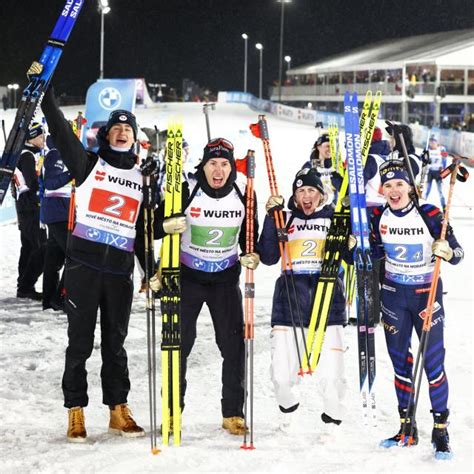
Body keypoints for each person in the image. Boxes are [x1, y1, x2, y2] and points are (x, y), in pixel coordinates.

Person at [39, 79, 151, 442]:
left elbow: (147, 229)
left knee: (115, 346)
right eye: (115, 128)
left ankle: (118, 410)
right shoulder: (87, 164)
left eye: (127, 129)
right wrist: (46, 93)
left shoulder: (142, 178)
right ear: (106, 136)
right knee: (80, 344)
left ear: (134, 138)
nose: (121, 133)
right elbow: (58, 128)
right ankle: (76, 411)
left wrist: (152, 270)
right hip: (84, 268)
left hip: (119, 272)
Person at [150, 137, 259, 436]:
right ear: (203, 165)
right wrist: (165, 226)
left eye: (224, 163)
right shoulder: (185, 190)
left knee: (233, 346)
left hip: (224, 280)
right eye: (213, 163)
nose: (218, 170)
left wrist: (253, 255)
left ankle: (233, 413)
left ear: (231, 167)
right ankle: (172, 412)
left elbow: (251, 238)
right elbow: (153, 225)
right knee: (178, 345)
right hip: (188, 278)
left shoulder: (245, 195)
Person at [370, 160, 463, 458]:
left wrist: (446, 250)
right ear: (382, 189)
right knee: (401, 366)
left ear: (410, 186)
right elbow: (370, 253)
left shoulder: (430, 214)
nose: (394, 190)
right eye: (388, 185)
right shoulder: (377, 216)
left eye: (399, 183)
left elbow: (458, 253)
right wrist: (354, 245)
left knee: (433, 365)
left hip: (426, 296)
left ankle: (440, 429)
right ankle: (406, 427)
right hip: (393, 296)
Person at [257, 168, 349, 431]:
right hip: (289, 299)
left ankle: (332, 419)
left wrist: (351, 237)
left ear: (320, 195)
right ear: (295, 197)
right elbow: (268, 257)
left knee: (333, 372)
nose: (306, 196)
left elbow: (352, 257)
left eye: (311, 190)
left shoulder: (334, 217)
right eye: (300, 191)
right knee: (281, 373)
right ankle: (287, 406)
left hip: (328, 298)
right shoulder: (284, 218)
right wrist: (269, 218)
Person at [13, 121, 47, 300]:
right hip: (30, 204)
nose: (43, 140)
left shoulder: (27, 153)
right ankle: (26, 285)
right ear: (32, 138)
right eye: (41, 136)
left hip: (26, 205)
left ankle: (23, 286)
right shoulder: (27, 156)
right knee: (41, 246)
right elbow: (33, 183)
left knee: (28, 246)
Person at [41, 135, 73, 311]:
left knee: (54, 259)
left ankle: (50, 299)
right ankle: (60, 296)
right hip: (59, 212)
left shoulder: (61, 154)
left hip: (59, 211)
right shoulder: (56, 154)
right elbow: (51, 183)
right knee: (75, 255)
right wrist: (72, 172)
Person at [302, 133, 342, 204]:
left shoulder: (337, 166)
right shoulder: (309, 165)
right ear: (319, 147)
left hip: (334, 209)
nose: (330, 149)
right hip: (315, 208)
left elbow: (344, 189)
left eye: (332, 147)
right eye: (327, 146)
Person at [424, 136, 447, 211]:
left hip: (438, 173)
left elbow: (445, 159)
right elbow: (422, 159)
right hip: (430, 172)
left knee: (441, 191)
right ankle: (422, 205)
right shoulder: (427, 149)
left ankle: (444, 207)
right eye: (431, 141)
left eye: (434, 141)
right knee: (427, 190)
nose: (432, 143)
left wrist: (444, 171)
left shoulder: (442, 149)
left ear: (437, 142)